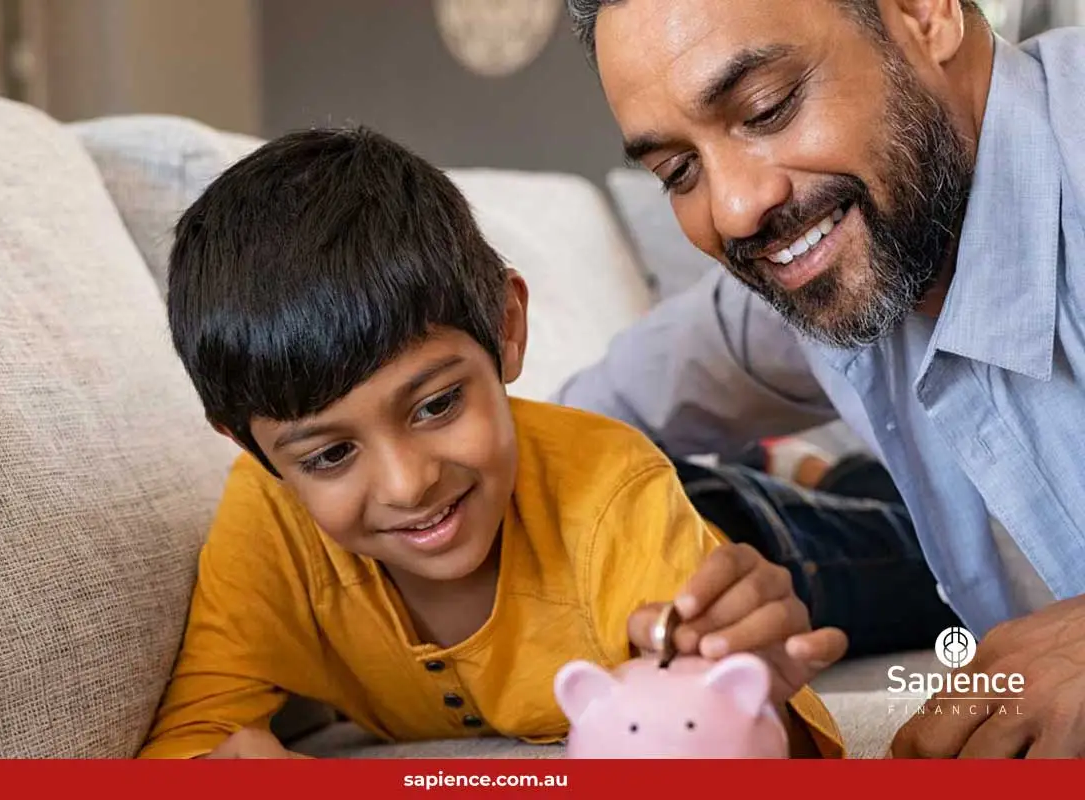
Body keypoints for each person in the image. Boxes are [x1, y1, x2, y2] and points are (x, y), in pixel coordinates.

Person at [138, 126, 847, 759]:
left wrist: (754, 697)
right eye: (330, 455)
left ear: (506, 327)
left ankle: (817, 476)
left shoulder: (614, 494)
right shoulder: (269, 522)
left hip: (751, 536)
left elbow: (753, 726)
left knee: (878, 541)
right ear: (253, 449)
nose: (408, 484)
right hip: (662, 495)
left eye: (436, 404)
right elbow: (196, 731)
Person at [561, 0, 1085, 757]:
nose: (735, 210)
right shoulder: (813, 271)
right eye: (679, 172)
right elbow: (561, 436)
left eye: (767, 109)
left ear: (924, 13)